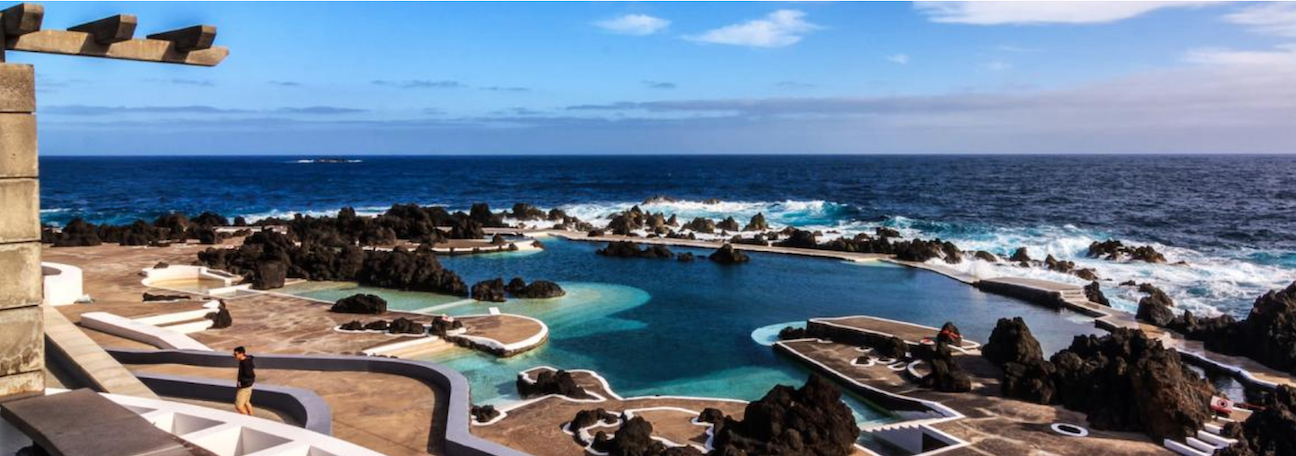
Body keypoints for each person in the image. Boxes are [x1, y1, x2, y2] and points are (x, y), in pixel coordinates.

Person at [233, 346, 256, 415]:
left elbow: (250, 375)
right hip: (248, 385)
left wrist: (241, 382)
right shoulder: (246, 360)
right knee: (246, 402)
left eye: (235, 354)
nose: (234, 356)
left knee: (238, 406)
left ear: (241, 354)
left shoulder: (245, 363)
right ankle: (252, 418)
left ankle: (247, 420)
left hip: (244, 387)